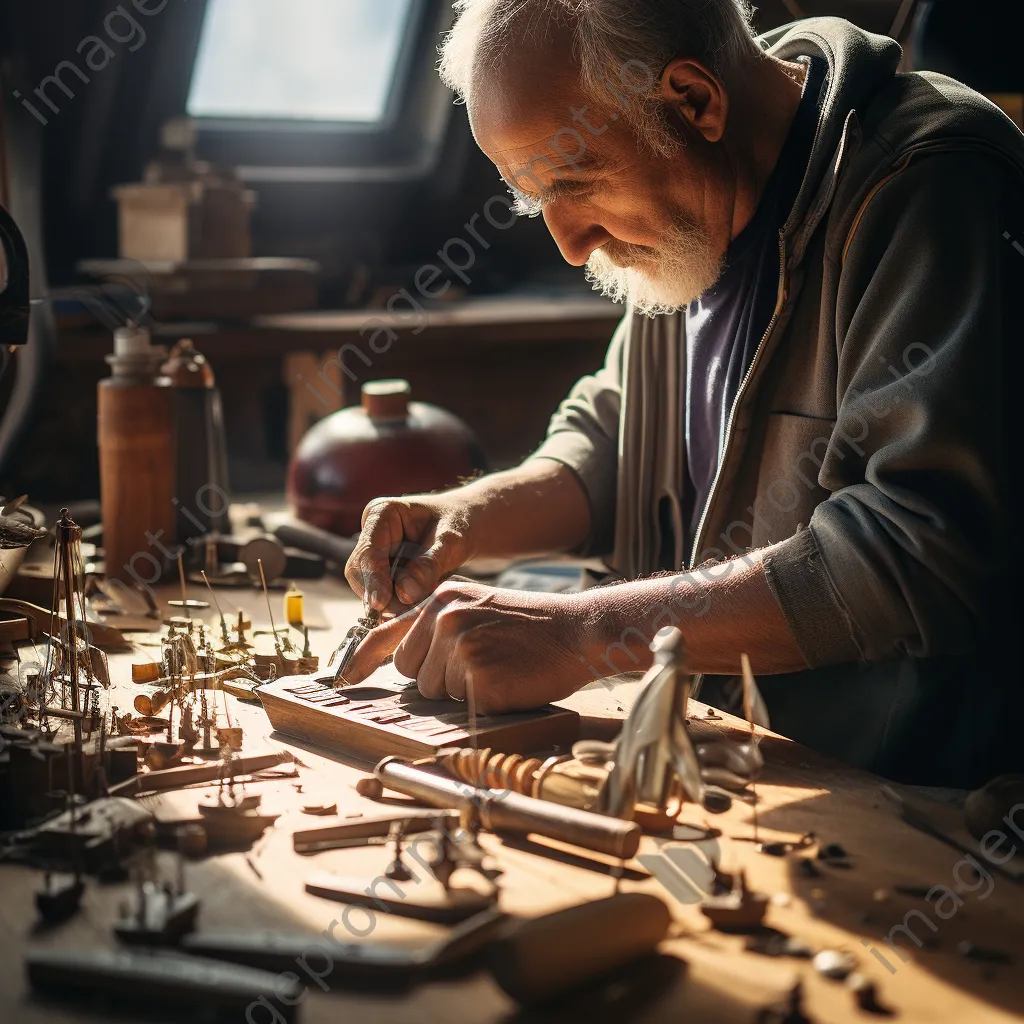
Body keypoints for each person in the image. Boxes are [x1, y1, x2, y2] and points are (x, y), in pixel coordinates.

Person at [343, 2, 1024, 786]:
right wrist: (471, 515)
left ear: (695, 100)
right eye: (536, 200)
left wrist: (578, 635)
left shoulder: (931, 183)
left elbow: (916, 553)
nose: (568, 245)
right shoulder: (686, 209)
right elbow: (614, 437)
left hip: (911, 796)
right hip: (735, 755)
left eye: (576, 181)